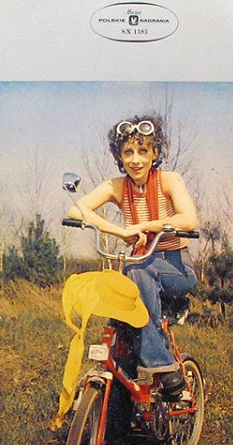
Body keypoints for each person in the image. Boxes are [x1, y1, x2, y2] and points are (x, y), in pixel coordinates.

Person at [67, 115, 198, 399]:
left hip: (176, 266)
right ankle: (120, 402)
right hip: (141, 264)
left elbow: (188, 219)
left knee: (135, 270)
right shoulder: (117, 186)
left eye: (143, 151)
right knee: (121, 311)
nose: (135, 159)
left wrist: (146, 226)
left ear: (155, 153)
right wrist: (120, 231)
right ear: (119, 156)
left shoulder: (169, 180)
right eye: (128, 152)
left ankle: (160, 363)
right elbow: (76, 210)